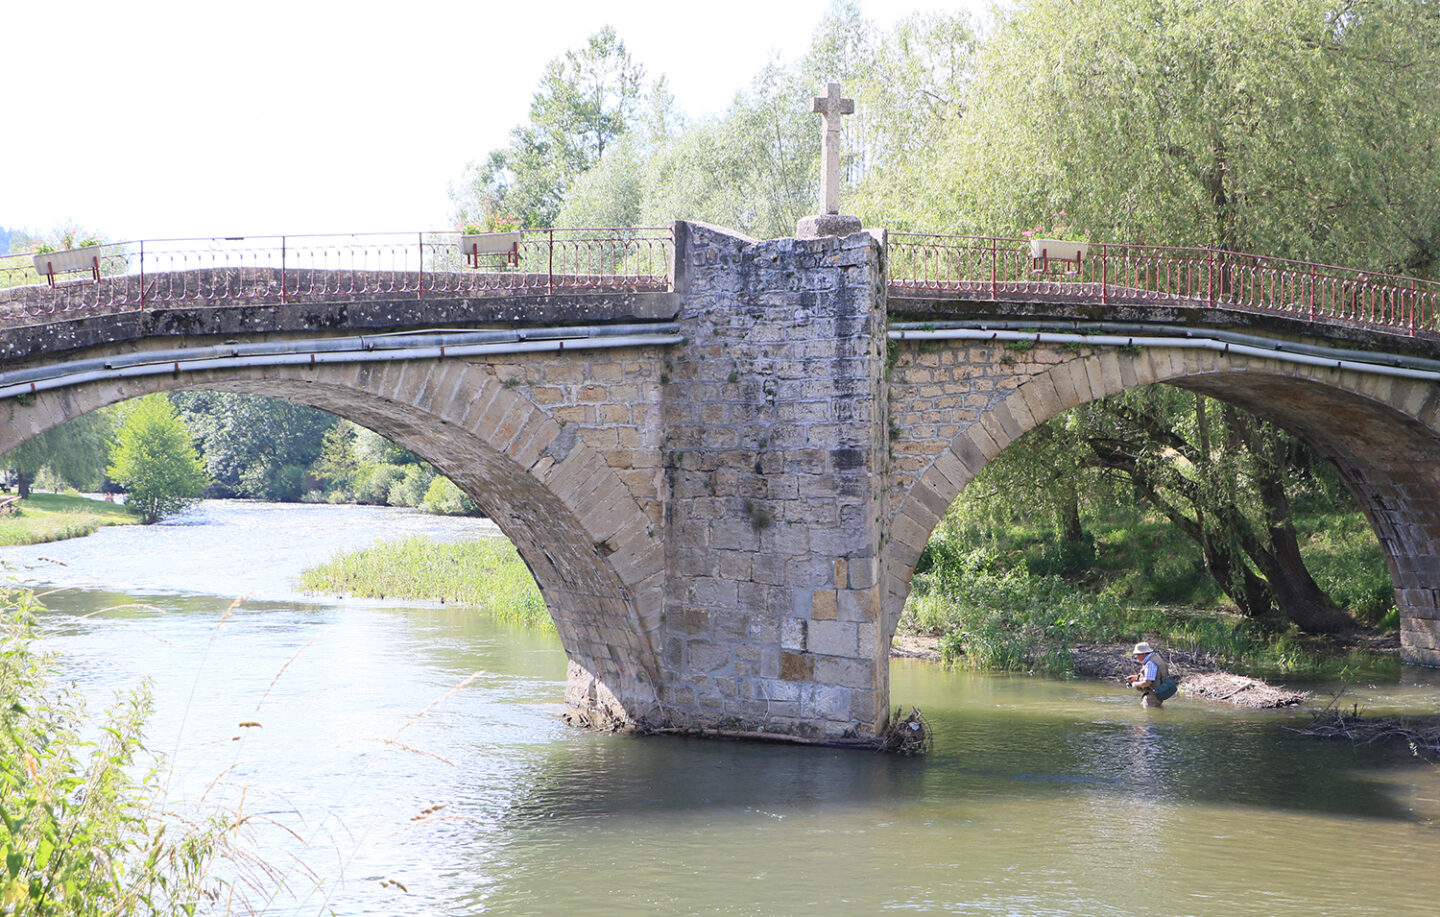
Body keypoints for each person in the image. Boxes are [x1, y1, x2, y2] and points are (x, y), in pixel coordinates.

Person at [1125, 641, 1171, 707]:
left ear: (1143, 654)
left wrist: (1135, 684)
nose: (1136, 656)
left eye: (1137, 654)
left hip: (1153, 695)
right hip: (1159, 692)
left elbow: (1147, 682)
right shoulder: (1155, 658)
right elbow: (1154, 677)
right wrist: (1137, 678)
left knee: (1148, 711)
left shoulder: (1150, 663)